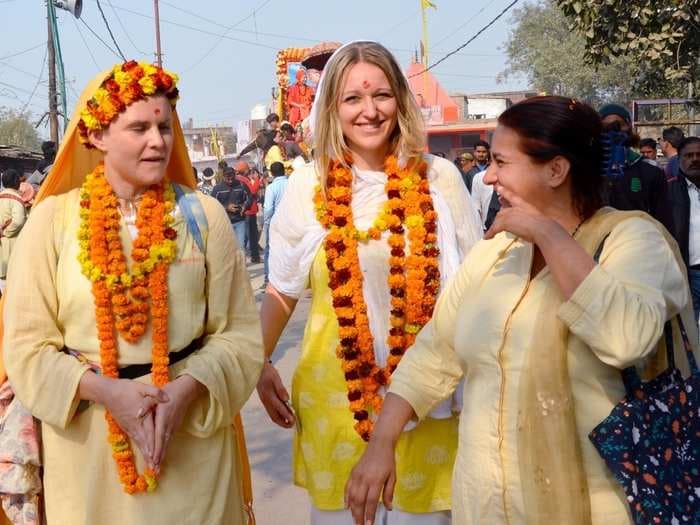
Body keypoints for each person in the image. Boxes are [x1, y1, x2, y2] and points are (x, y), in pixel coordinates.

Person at [345, 95, 696, 525]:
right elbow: (435, 351)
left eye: (501, 162)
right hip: (487, 504)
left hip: (595, 505)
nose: (489, 176)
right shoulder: (497, 254)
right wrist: (381, 443)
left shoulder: (633, 241)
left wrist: (550, 235)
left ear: (555, 170)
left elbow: (624, 339)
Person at [1, 60, 263, 524]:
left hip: (193, 443)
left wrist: (184, 391)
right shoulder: (51, 222)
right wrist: (106, 392)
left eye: (164, 125)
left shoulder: (202, 216)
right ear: (97, 135)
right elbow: (26, 347)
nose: (158, 140)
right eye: (139, 127)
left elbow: (240, 337)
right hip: (89, 455)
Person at [260, 40, 482, 525]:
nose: (369, 111)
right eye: (352, 99)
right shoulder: (308, 185)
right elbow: (280, 288)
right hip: (336, 397)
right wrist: (257, 361)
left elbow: (472, 286)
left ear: (400, 101)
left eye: (381, 96)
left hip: (427, 395)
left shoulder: (438, 178)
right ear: (332, 108)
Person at [598, 103, 674, 235]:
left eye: (618, 124)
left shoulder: (651, 172)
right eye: (606, 126)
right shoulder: (587, 173)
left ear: (629, 128)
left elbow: (664, 220)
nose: (613, 130)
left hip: (638, 245)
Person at [666, 136, 700, 322]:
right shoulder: (668, 192)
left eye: (699, 155)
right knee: (691, 333)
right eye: (689, 155)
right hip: (687, 274)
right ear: (679, 160)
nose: (695, 159)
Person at [212, 165, 252, 249]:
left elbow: (249, 199)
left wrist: (244, 206)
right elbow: (213, 205)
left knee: (241, 248)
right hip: (224, 223)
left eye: (232, 178)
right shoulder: (217, 189)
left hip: (239, 221)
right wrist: (226, 208)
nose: (230, 181)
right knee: (228, 249)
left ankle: (241, 262)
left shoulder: (242, 186)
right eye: (228, 179)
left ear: (235, 175)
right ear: (223, 177)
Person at [262, 161, 288, 289]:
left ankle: (268, 279)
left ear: (272, 173)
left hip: (275, 222)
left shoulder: (271, 188)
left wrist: (266, 223)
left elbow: (268, 208)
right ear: (284, 170)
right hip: (291, 221)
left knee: (270, 250)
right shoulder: (292, 183)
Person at [0, 169, 27, 287]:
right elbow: (18, 221)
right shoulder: (16, 199)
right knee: (9, 278)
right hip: (10, 242)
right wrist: (5, 232)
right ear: (16, 181)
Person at [234, 161, 262, 263]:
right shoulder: (244, 180)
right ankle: (255, 256)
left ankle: (242, 257)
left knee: (244, 236)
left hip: (243, 211)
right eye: (248, 169)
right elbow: (253, 191)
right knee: (252, 235)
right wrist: (257, 179)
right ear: (244, 170)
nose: (249, 171)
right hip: (249, 210)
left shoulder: (236, 179)